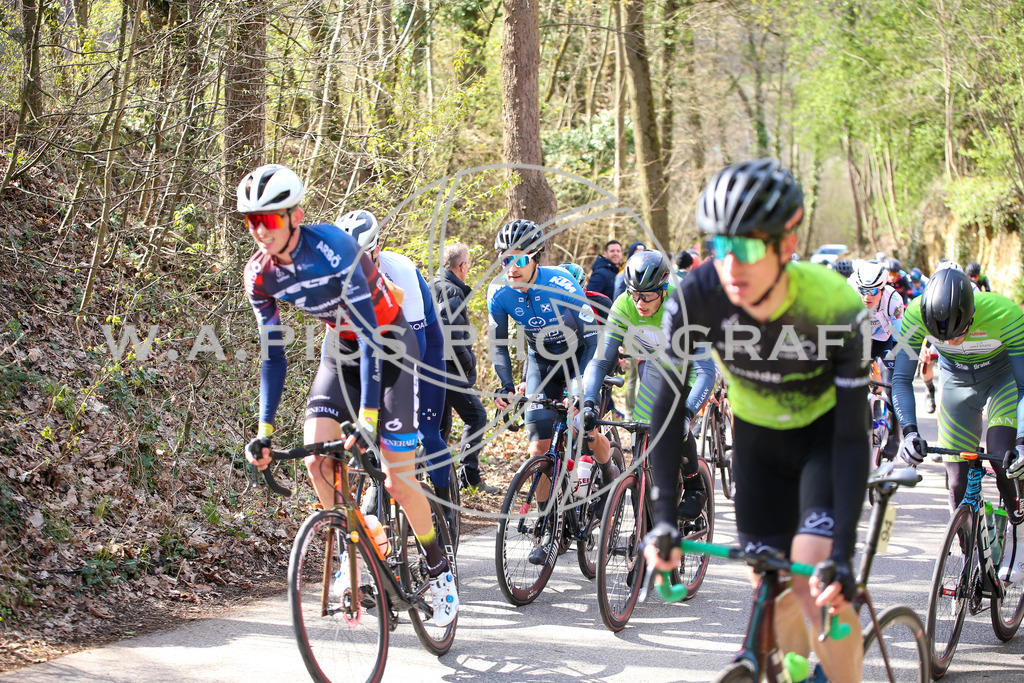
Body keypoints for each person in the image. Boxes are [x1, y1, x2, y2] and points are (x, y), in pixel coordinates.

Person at [644, 159, 870, 683]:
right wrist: (664, 518)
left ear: (786, 245)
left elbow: (852, 434)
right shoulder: (697, 295)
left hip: (822, 441)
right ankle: (796, 670)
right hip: (757, 444)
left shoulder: (833, 304)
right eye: (720, 245)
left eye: (746, 248)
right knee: (767, 582)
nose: (731, 264)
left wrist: (843, 552)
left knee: (814, 581)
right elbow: (667, 407)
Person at [238, 165, 457, 626]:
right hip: (340, 352)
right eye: (252, 220)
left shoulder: (335, 249)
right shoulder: (258, 274)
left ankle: (439, 569)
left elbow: (374, 337)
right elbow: (273, 356)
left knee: (398, 481)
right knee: (317, 461)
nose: (261, 230)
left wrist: (367, 419)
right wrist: (264, 430)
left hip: (391, 348)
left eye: (270, 219)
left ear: (296, 217)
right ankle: (358, 548)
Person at [892, 267, 1024, 582]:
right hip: (956, 380)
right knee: (956, 482)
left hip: (1003, 379)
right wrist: (909, 433)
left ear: (972, 314)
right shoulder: (913, 314)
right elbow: (900, 379)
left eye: (957, 332)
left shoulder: (1005, 313)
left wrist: (1022, 442)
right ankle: (970, 563)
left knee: (1002, 456)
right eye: (942, 337)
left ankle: (1019, 536)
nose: (950, 340)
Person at [580, 250, 715, 525]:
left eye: (647, 296)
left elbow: (706, 372)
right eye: (635, 294)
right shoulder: (624, 303)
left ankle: (694, 485)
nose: (639, 303)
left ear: (663, 289)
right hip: (657, 363)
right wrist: (588, 403)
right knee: (642, 436)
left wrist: (687, 414)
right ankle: (644, 519)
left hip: (693, 367)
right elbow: (600, 361)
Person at [337, 210, 455, 511]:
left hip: (422, 343)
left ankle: (445, 509)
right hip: (373, 342)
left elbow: (416, 347)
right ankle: (378, 485)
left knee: (427, 433)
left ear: (376, 251)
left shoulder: (400, 271)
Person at [488, 219, 598, 457]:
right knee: (539, 448)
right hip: (541, 363)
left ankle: (608, 471)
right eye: (505, 260)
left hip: (578, 358)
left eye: (520, 260)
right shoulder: (498, 292)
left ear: (536, 258)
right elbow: (498, 345)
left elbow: (592, 340)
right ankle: (545, 482)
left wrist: (580, 388)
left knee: (584, 435)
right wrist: (507, 386)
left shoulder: (561, 283)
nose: (511, 268)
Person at [431, 243, 500, 494]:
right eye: (468, 263)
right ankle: (468, 477)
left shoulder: (431, 285)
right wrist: (468, 363)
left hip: (432, 367)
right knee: (476, 416)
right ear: (462, 266)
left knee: (441, 426)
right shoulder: (451, 290)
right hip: (448, 370)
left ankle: (438, 481)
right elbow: (452, 334)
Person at [850, 259, 905, 456]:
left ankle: (894, 435)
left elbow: (899, 339)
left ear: (882, 288)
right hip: (860, 336)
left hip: (885, 338)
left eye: (873, 291)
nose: (867, 296)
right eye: (863, 290)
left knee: (891, 383)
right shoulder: (848, 295)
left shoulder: (894, 300)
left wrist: (899, 367)